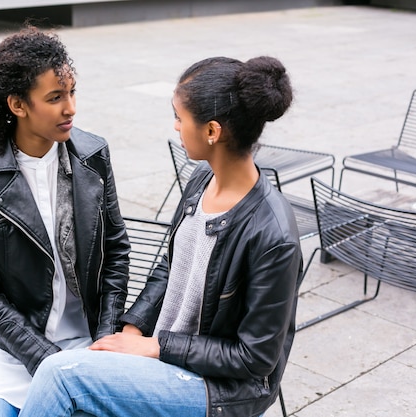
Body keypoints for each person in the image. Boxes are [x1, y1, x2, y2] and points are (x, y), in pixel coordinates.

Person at [18, 55, 303, 417]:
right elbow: (172, 266)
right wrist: (134, 329)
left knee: (61, 376)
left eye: (179, 118)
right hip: (165, 353)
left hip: (219, 387)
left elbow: (254, 359)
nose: (175, 127)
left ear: (212, 131)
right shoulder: (202, 181)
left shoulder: (273, 236)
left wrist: (156, 348)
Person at [0, 27, 130, 417]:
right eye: (55, 98)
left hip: (86, 340)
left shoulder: (93, 156)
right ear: (18, 105)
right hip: (10, 348)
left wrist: (105, 337)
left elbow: (116, 251)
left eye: (71, 92)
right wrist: (44, 359)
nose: (71, 108)